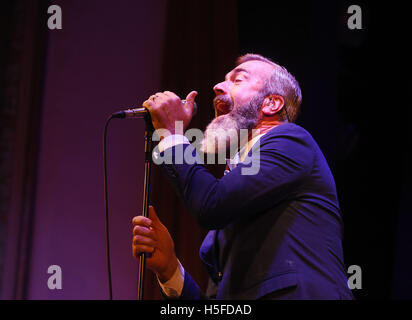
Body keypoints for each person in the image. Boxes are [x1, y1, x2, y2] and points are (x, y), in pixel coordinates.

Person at [131, 54, 354, 299]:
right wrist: (170, 269)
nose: (218, 87)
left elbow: (211, 205)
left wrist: (172, 135)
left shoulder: (290, 141)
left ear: (271, 104)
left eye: (237, 80)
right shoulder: (240, 187)